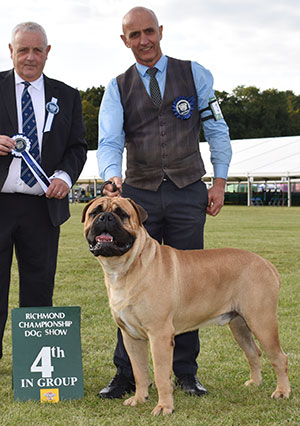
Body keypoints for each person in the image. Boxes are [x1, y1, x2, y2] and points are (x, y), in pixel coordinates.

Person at [97, 7, 232, 399]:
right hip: (137, 199)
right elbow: (109, 139)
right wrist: (111, 176)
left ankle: (186, 373)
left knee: (190, 288)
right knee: (128, 287)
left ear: (161, 31)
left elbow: (216, 128)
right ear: (125, 40)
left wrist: (220, 179)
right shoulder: (116, 86)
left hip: (189, 190)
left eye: (149, 32)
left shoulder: (195, 73)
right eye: (134, 35)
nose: (144, 41)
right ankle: (127, 375)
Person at [0, 22, 87, 359]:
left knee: (38, 287)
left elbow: (77, 147)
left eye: (38, 50)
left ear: (47, 53)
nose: (31, 57)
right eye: (23, 50)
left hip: (43, 208)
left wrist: (65, 176)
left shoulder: (67, 96)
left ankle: (33, 361)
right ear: (11, 51)